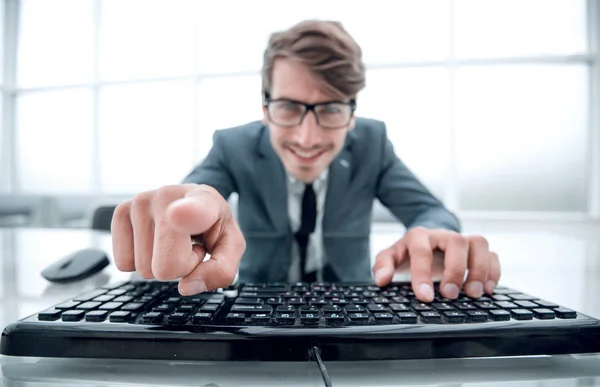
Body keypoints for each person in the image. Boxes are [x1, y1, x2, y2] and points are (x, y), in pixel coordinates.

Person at [110, 20, 500, 303]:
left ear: (351, 112)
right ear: (265, 106)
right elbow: (199, 192)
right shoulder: (233, 145)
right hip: (259, 308)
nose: (307, 138)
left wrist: (432, 234)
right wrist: (185, 209)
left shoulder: (372, 143)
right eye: (289, 107)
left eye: (330, 109)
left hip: (351, 307)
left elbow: (430, 211)